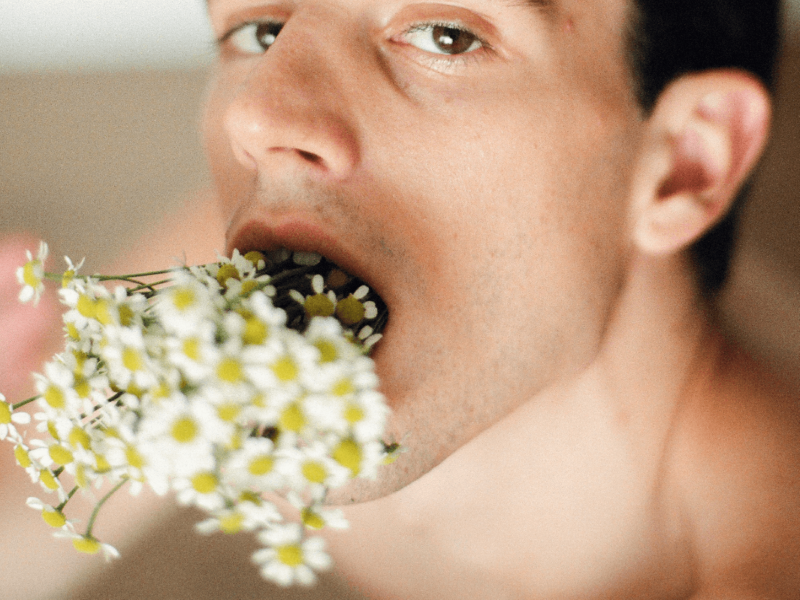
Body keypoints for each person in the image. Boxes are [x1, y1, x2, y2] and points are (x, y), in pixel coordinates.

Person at [200, 0, 800, 598]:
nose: (258, 119)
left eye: (447, 38)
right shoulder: (313, 224)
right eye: (263, 31)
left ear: (684, 165)